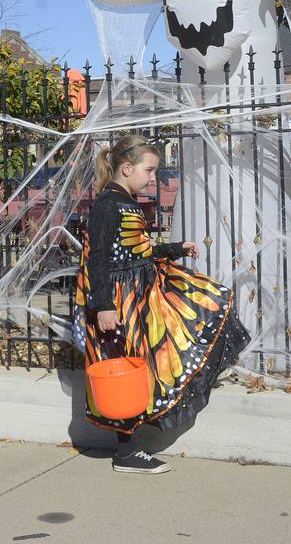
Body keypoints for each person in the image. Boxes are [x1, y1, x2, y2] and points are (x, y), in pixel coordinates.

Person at [73, 135, 250, 474]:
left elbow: (135, 251)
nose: (153, 178)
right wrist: (104, 305)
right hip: (121, 300)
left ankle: (133, 446)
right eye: (149, 170)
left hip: (140, 293)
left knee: (147, 361)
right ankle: (126, 453)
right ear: (127, 168)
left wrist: (176, 249)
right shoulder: (108, 204)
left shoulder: (124, 200)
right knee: (126, 369)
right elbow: (97, 259)